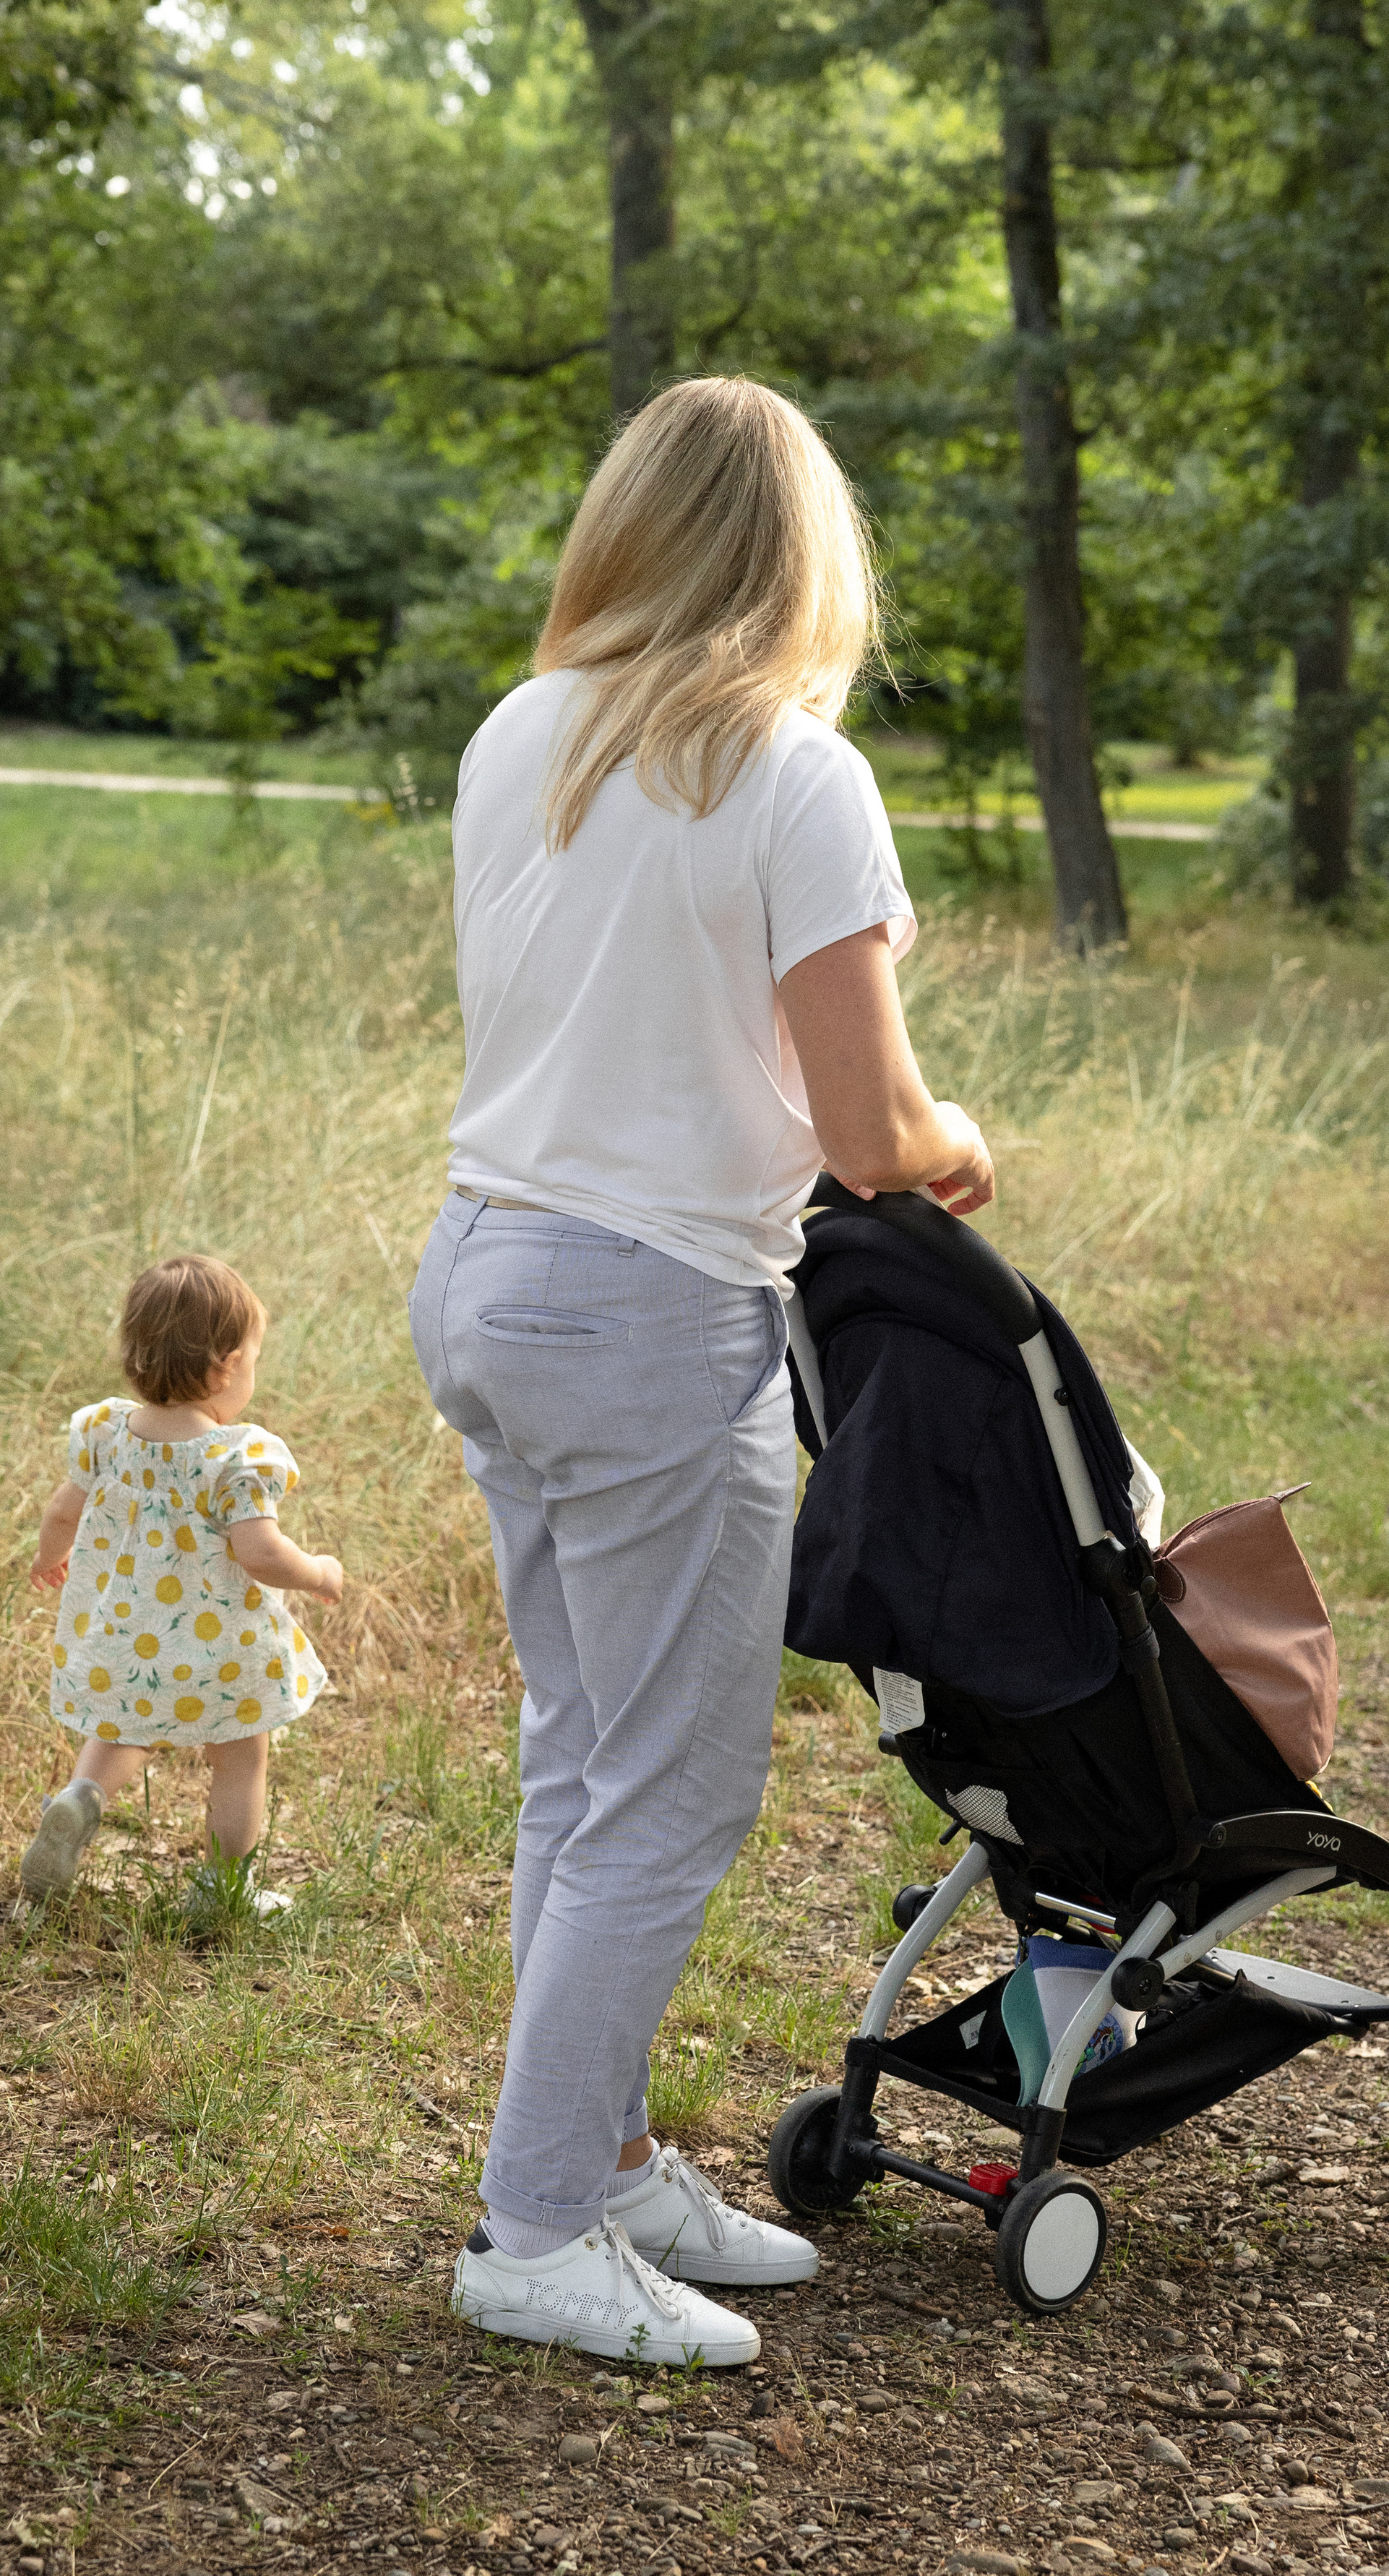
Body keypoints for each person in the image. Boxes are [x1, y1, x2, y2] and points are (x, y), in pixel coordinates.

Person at [408, 375, 995, 2366]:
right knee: (665, 1798)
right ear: (807, 555)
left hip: (487, 1273)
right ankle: (537, 2227)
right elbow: (865, 1129)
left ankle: (598, 2151)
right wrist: (953, 1142)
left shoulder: (521, 731)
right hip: (651, 1313)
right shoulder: (796, 770)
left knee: (584, 1768)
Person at [22, 1254, 343, 1910]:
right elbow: (259, 1552)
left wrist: (47, 1558)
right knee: (241, 1755)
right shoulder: (236, 1457)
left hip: (129, 1639)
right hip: (222, 1650)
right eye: (252, 1359)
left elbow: (62, 1509)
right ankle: (224, 1890)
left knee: (118, 1731)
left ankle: (79, 1799)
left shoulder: (107, 1432)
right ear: (227, 1365)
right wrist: (317, 1572)